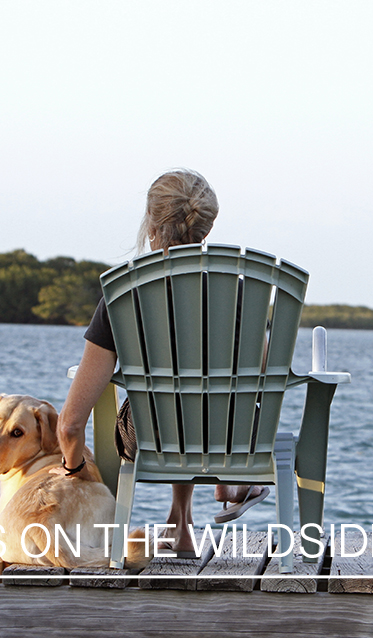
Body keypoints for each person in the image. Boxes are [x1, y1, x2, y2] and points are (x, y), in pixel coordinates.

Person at [55, 169, 268, 556]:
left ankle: (185, 520)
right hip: (233, 439)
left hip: (152, 436)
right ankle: (221, 491)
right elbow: (263, 373)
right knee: (196, 395)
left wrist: (72, 472)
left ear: (152, 222)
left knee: (162, 405)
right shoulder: (238, 294)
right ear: (207, 226)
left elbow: (70, 425)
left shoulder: (124, 294)